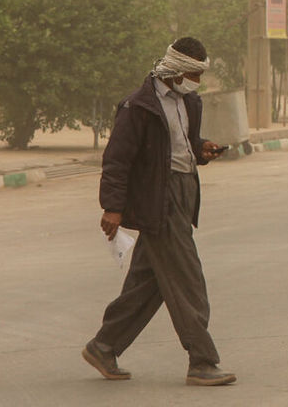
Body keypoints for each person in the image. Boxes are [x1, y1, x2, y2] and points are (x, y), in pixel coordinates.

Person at [82, 36, 236, 387]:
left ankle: (103, 346)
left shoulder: (188, 102)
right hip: (158, 198)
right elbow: (117, 161)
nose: (196, 81)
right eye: (193, 73)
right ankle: (202, 360)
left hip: (183, 192)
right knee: (187, 279)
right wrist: (113, 207)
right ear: (174, 70)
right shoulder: (138, 107)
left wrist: (202, 149)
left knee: (148, 283)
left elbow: (181, 144)